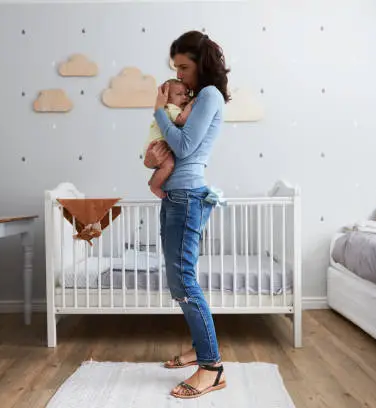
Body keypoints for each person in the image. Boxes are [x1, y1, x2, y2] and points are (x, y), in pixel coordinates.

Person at [144, 30, 231, 399]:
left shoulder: (209, 95)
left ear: (201, 63)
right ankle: (200, 347)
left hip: (187, 196)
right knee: (179, 279)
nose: (178, 75)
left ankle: (211, 367)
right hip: (176, 195)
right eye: (174, 68)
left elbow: (182, 144)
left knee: (184, 282)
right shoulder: (194, 98)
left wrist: (157, 112)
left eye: (183, 67)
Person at [144, 79, 192, 199]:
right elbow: (181, 119)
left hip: (158, 144)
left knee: (165, 166)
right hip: (158, 145)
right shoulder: (171, 108)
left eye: (186, 94)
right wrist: (191, 104)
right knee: (169, 165)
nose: (185, 98)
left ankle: (153, 180)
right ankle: (155, 187)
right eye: (179, 94)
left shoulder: (171, 108)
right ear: (167, 99)